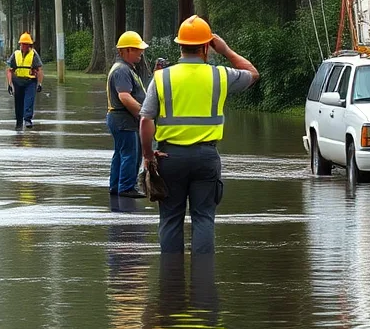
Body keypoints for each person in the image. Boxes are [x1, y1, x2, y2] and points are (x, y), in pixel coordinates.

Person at [139, 16, 258, 254]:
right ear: (206, 46)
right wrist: (225, 50)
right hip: (206, 158)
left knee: (171, 219)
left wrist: (148, 154)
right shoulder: (220, 75)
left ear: (180, 45)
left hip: (169, 157)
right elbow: (252, 73)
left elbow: (145, 119)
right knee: (203, 218)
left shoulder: (162, 78)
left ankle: (170, 284)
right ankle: (203, 283)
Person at [108, 31, 148, 198]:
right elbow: (124, 96)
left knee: (121, 152)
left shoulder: (125, 69)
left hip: (119, 118)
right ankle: (126, 187)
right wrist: (143, 113)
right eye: (137, 49)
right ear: (126, 51)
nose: (141, 52)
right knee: (130, 153)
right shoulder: (122, 70)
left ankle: (116, 185)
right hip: (124, 119)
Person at [6, 32, 43, 129]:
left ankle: (27, 119)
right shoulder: (15, 54)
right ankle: (19, 123)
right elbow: (10, 70)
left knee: (29, 100)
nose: (24, 46)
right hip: (17, 81)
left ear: (30, 45)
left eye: (26, 44)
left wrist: (39, 83)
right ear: (20, 44)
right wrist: (10, 84)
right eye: (22, 44)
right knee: (18, 103)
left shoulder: (33, 55)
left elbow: (39, 70)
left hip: (30, 82)